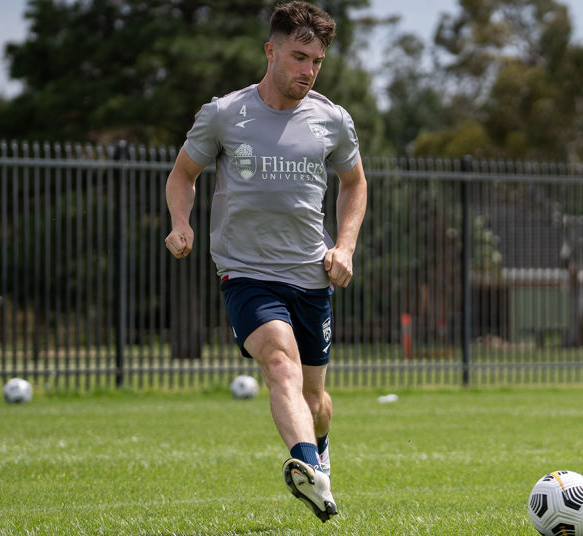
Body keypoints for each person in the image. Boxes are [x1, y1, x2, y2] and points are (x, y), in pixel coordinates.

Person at [163, 1, 366, 523]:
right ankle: (306, 467)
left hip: (311, 275)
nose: (308, 70)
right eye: (299, 57)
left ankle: (319, 452)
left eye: (316, 61)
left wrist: (344, 246)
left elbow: (354, 183)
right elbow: (183, 174)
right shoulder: (224, 114)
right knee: (279, 363)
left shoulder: (332, 119)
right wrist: (181, 222)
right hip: (246, 272)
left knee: (315, 398)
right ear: (271, 51)